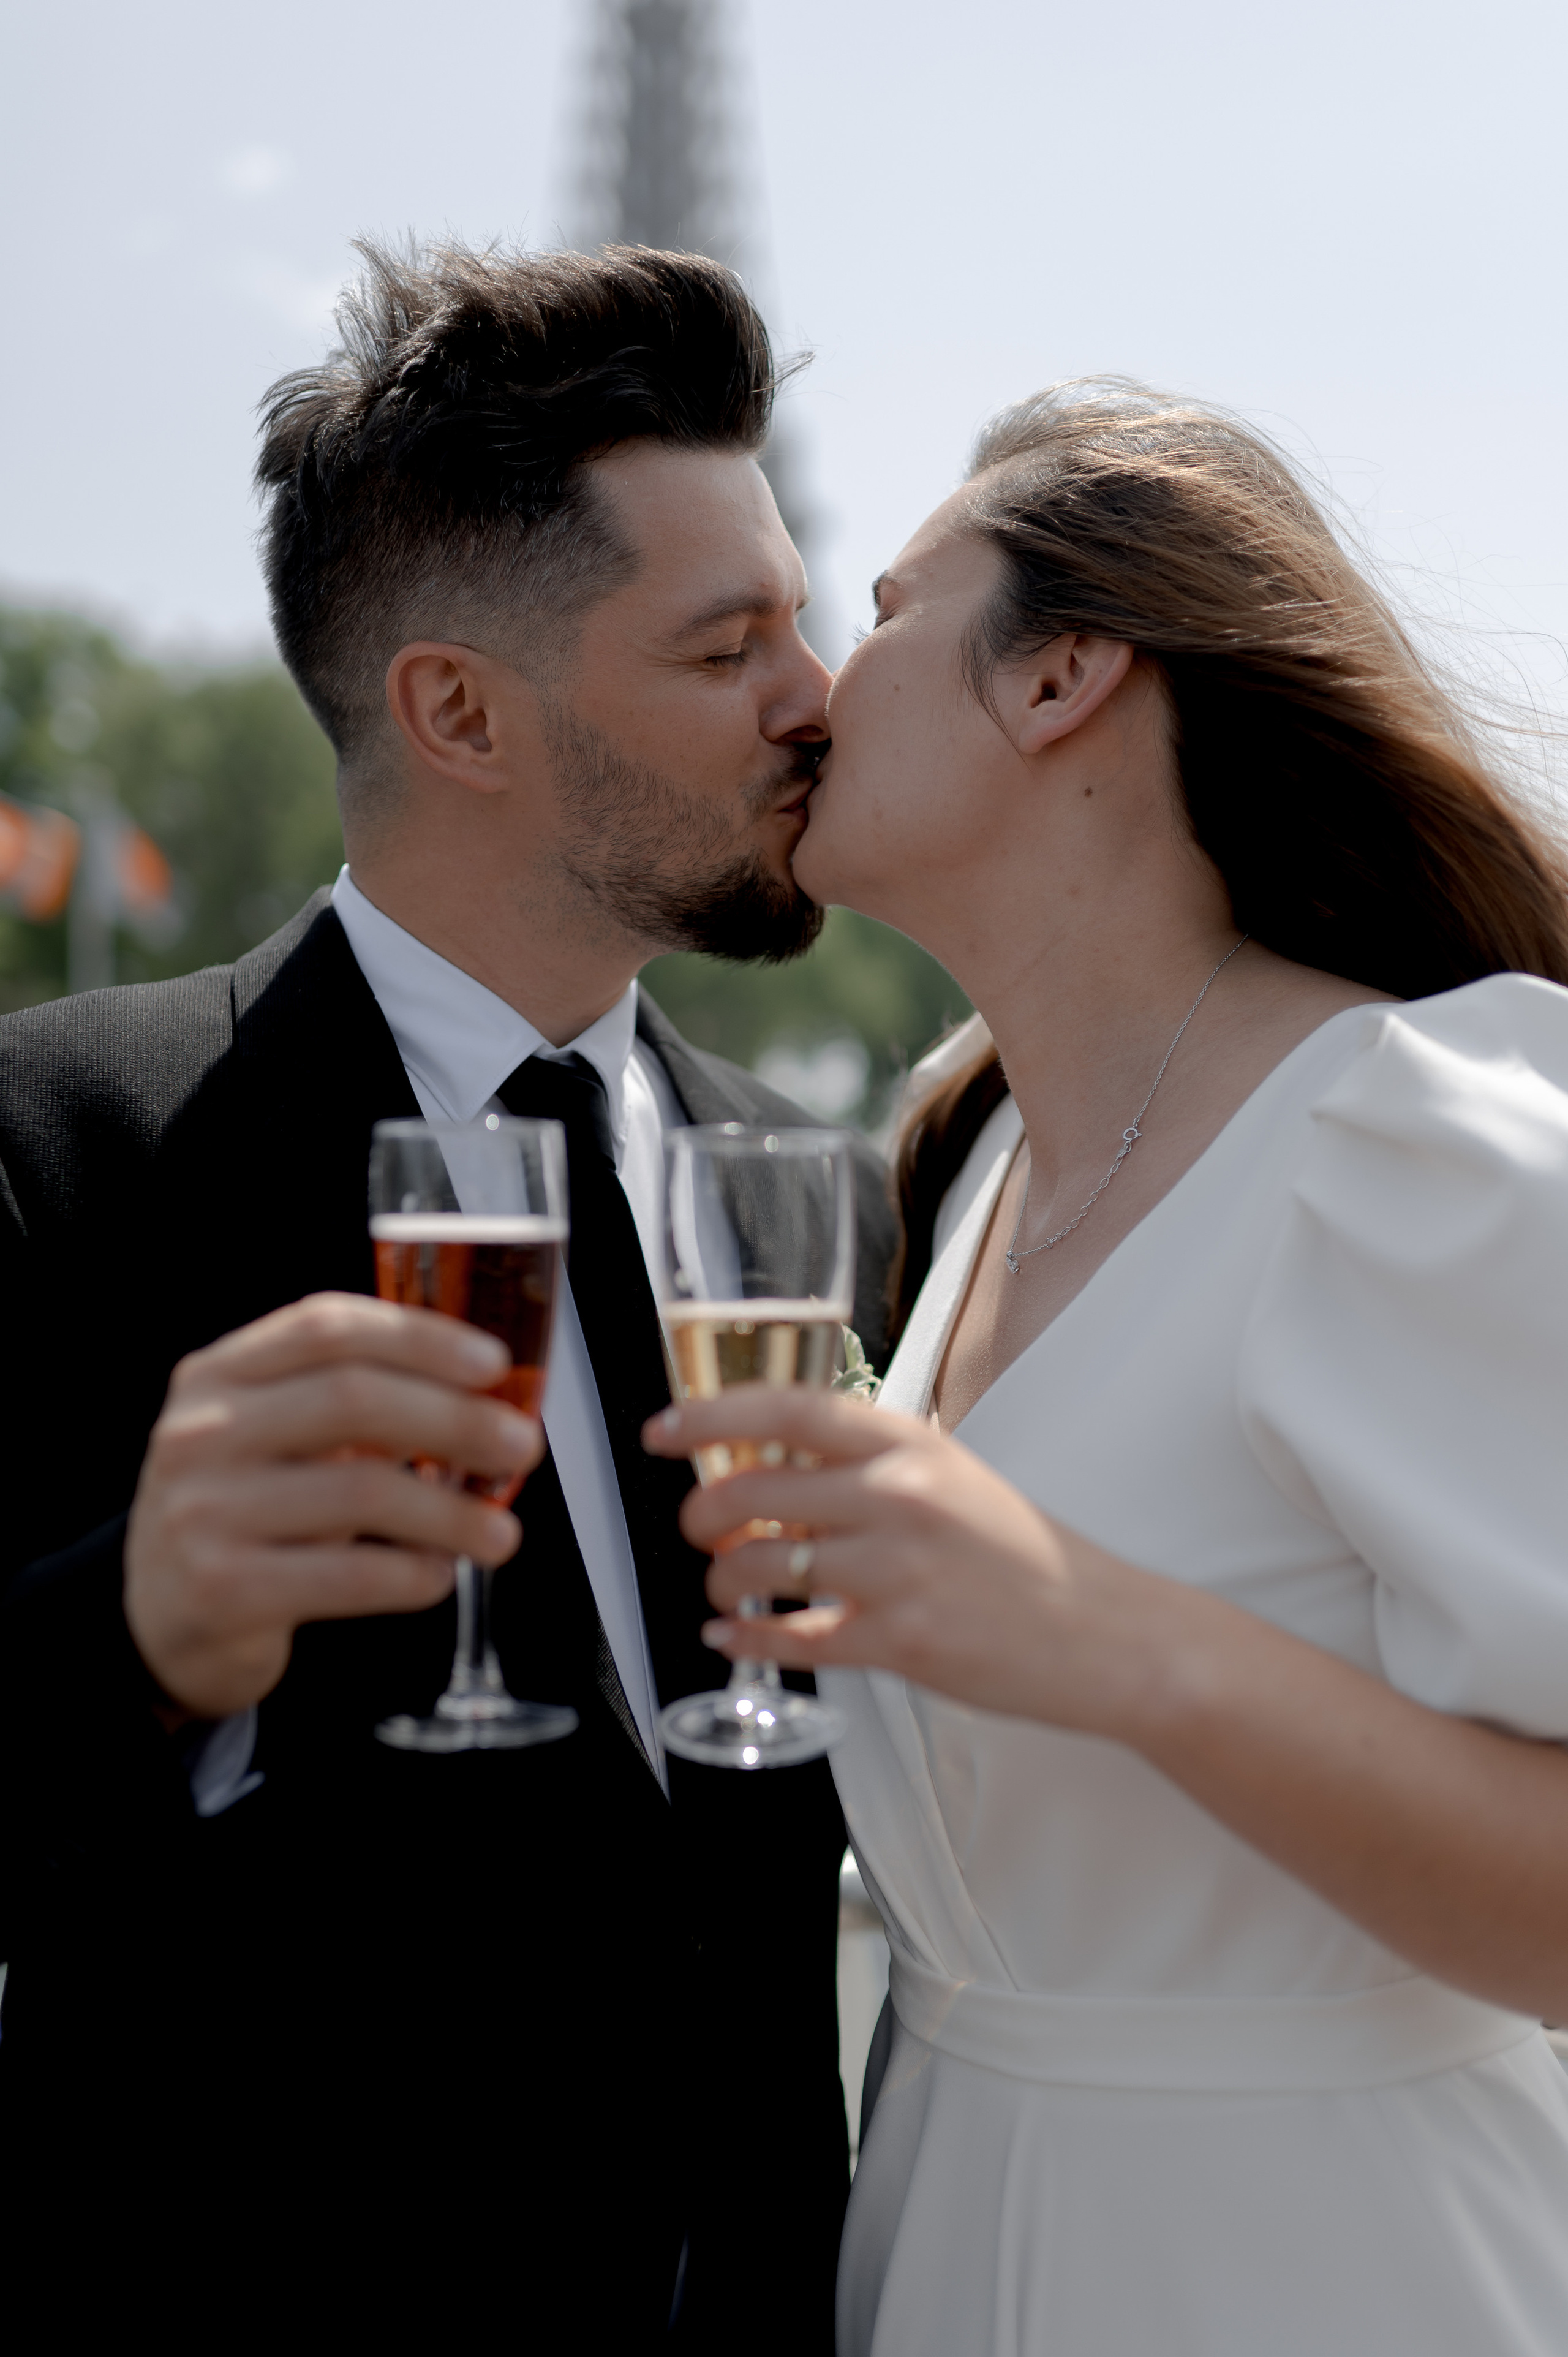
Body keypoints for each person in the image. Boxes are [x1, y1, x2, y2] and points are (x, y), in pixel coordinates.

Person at [0, 241, 894, 2346]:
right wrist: (133, 1634)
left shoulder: (825, 1187)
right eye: (726, 645)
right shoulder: (59, 1138)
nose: (817, 694)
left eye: (802, 617)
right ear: (460, 711)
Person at [644, 380, 1568, 2354]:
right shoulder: (961, 1160)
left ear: (1062, 671)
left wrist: (1098, 1633)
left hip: (1327, 2277)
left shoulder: (1413, 1139)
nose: (806, 689)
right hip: (943, 2244)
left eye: (884, 608)